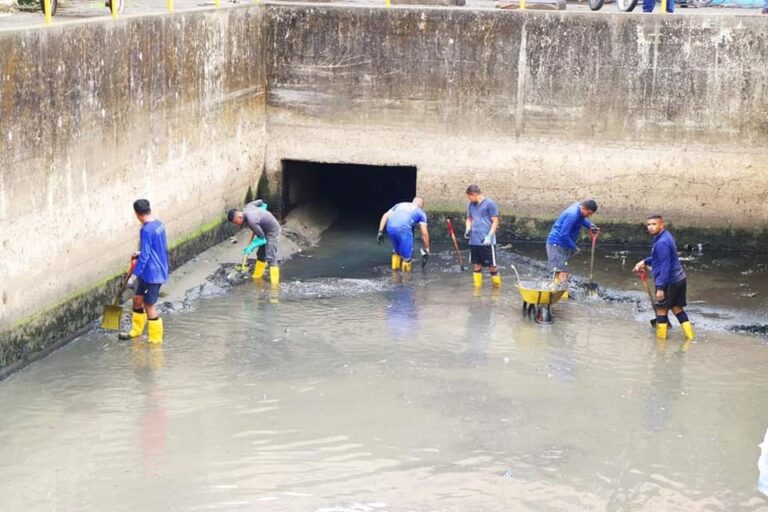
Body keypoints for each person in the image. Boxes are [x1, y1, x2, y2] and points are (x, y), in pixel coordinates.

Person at [633, 214, 694, 341]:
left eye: (654, 224)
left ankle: (660, 344)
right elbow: (659, 258)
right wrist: (644, 261)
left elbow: (665, 265)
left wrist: (661, 288)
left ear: (662, 225)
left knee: (661, 310)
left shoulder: (662, 242)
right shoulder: (665, 236)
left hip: (669, 282)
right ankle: (690, 337)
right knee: (677, 308)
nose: (650, 227)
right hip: (679, 279)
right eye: (649, 225)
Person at [120, 199, 169, 344]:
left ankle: (155, 340)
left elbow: (146, 255)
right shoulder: (159, 224)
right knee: (137, 300)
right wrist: (139, 252)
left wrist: (134, 275)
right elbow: (152, 249)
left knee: (149, 305)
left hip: (153, 274)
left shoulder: (145, 230)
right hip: (152, 270)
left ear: (137, 214)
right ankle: (136, 331)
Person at [546, 200, 599, 291]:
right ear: (584, 208)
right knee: (563, 271)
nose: (589, 216)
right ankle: (562, 293)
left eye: (591, 214)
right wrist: (574, 247)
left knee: (561, 270)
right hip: (556, 244)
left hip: (564, 245)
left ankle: (556, 289)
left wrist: (591, 225)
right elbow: (563, 235)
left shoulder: (579, 207)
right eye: (588, 213)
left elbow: (581, 218)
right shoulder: (572, 215)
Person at [228, 199, 282, 285]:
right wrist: (262, 209)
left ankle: (275, 285)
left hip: (272, 231)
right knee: (260, 255)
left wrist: (251, 247)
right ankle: (257, 277)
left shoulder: (252, 221)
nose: (237, 224)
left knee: (271, 257)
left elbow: (262, 239)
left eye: (236, 222)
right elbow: (261, 202)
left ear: (239, 217)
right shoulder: (248, 206)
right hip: (263, 230)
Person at [377, 197, 430, 272]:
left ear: (413, 201)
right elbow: (424, 233)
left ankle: (395, 275)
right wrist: (427, 249)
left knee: (396, 251)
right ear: (421, 205)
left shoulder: (399, 205)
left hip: (390, 227)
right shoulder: (420, 212)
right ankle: (406, 279)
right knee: (407, 258)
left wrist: (380, 231)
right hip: (403, 229)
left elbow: (385, 215)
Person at [464, 185, 501, 287]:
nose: (469, 199)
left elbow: (495, 221)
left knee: (492, 266)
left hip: (486, 240)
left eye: (469, 197)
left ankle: (497, 288)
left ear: (474, 194)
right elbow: (469, 218)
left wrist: (490, 235)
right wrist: (468, 228)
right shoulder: (471, 205)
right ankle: (477, 290)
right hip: (474, 240)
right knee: (476, 265)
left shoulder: (490, 203)